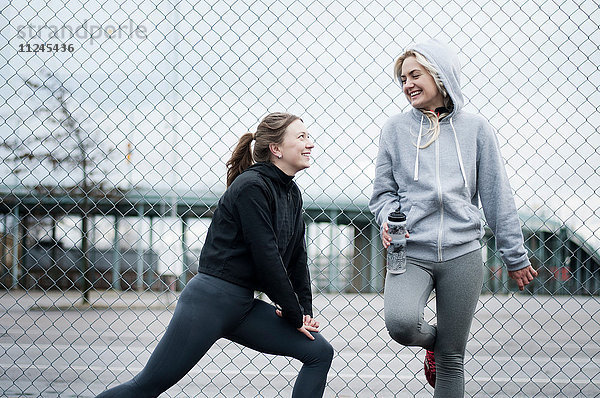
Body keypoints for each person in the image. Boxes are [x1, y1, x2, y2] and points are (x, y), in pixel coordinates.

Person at [96, 112, 333, 398]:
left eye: (309, 136)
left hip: (243, 307)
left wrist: (304, 311)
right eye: (301, 137)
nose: (310, 143)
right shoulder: (251, 187)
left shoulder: (291, 193)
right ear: (277, 149)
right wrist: (292, 313)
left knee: (319, 352)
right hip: (209, 303)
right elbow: (266, 255)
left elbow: (297, 257)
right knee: (147, 386)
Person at [369, 39, 538, 396]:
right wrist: (387, 218)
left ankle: (444, 350)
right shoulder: (394, 130)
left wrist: (515, 256)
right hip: (410, 250)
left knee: (452, 360)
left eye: (415, 75)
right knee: (400, 324)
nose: (407, 85)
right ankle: (436, 343)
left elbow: (497, 196)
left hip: (463, 254)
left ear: (439, 75)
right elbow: (382, 194)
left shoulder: (476, 129)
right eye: (402, 79)